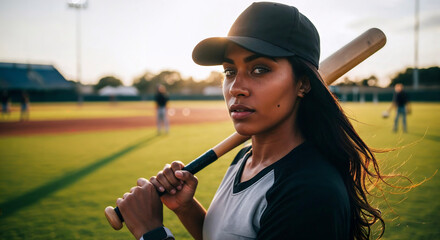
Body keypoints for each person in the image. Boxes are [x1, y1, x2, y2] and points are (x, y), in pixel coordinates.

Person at [116, 2, 389, 240]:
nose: (236, 87)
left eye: (260, 69)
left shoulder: (310, 191)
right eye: (229, 71)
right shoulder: (243, 159)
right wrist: (185, 208)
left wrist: (152, 233)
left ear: (303, 84)